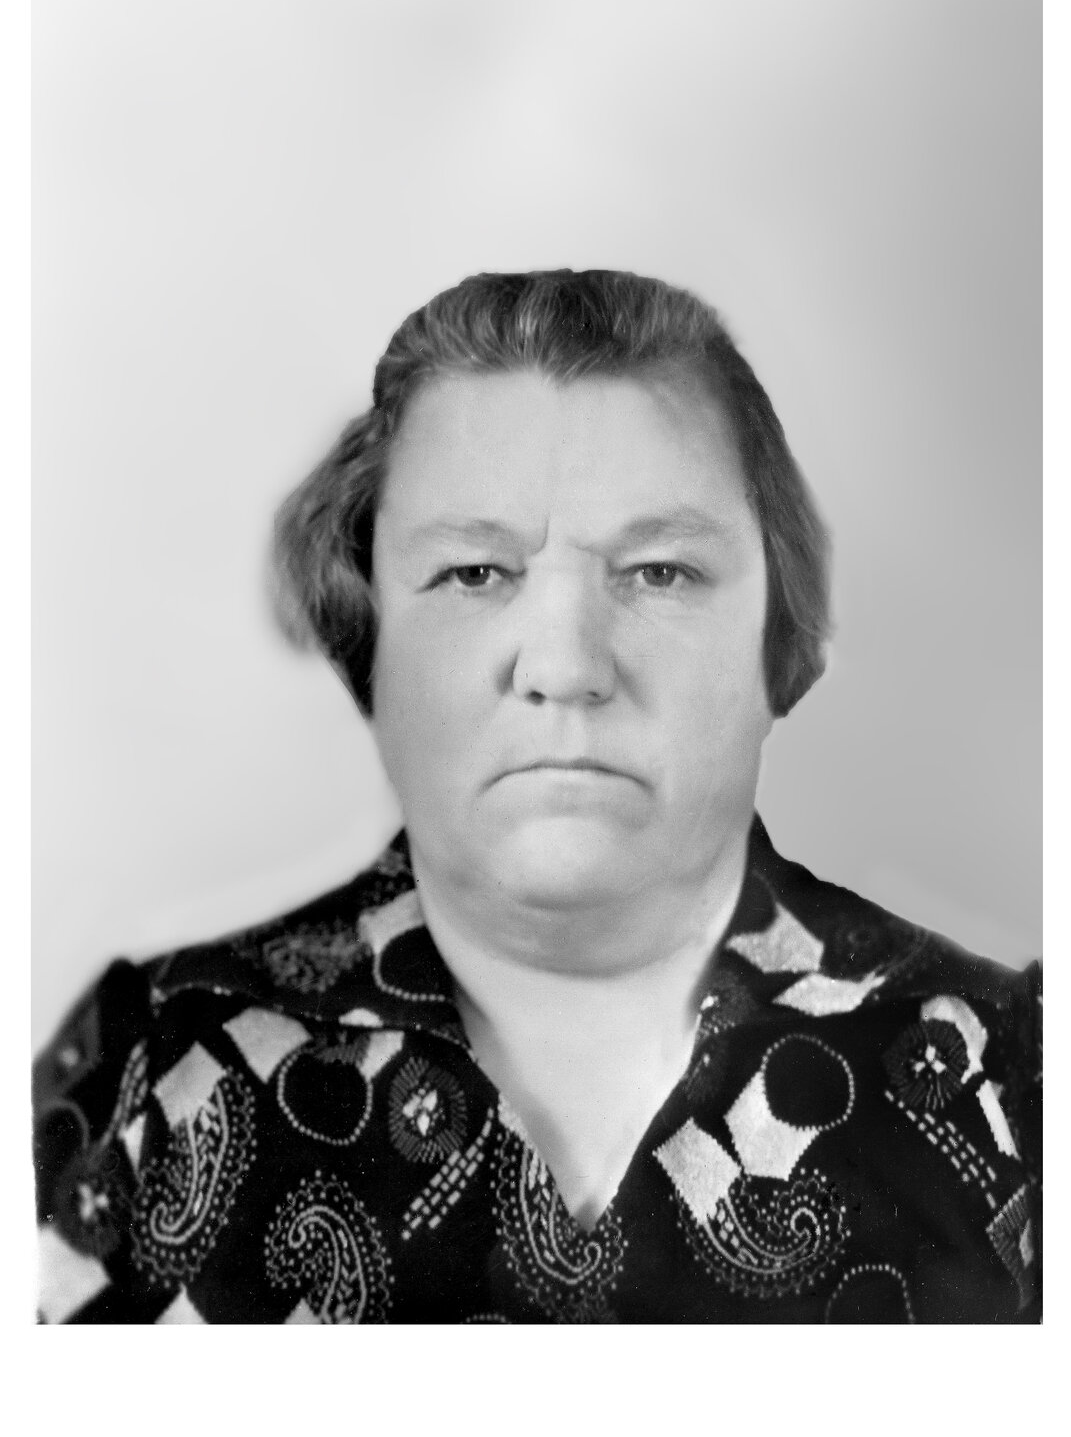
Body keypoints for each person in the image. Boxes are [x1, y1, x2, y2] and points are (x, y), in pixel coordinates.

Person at [33, 269, 1041, 1324]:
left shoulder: (1014, 1078)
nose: (564, 666)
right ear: (371, 642)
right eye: (474, 573)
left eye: (659, 571)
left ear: (776, 638)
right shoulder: (150, 1062)